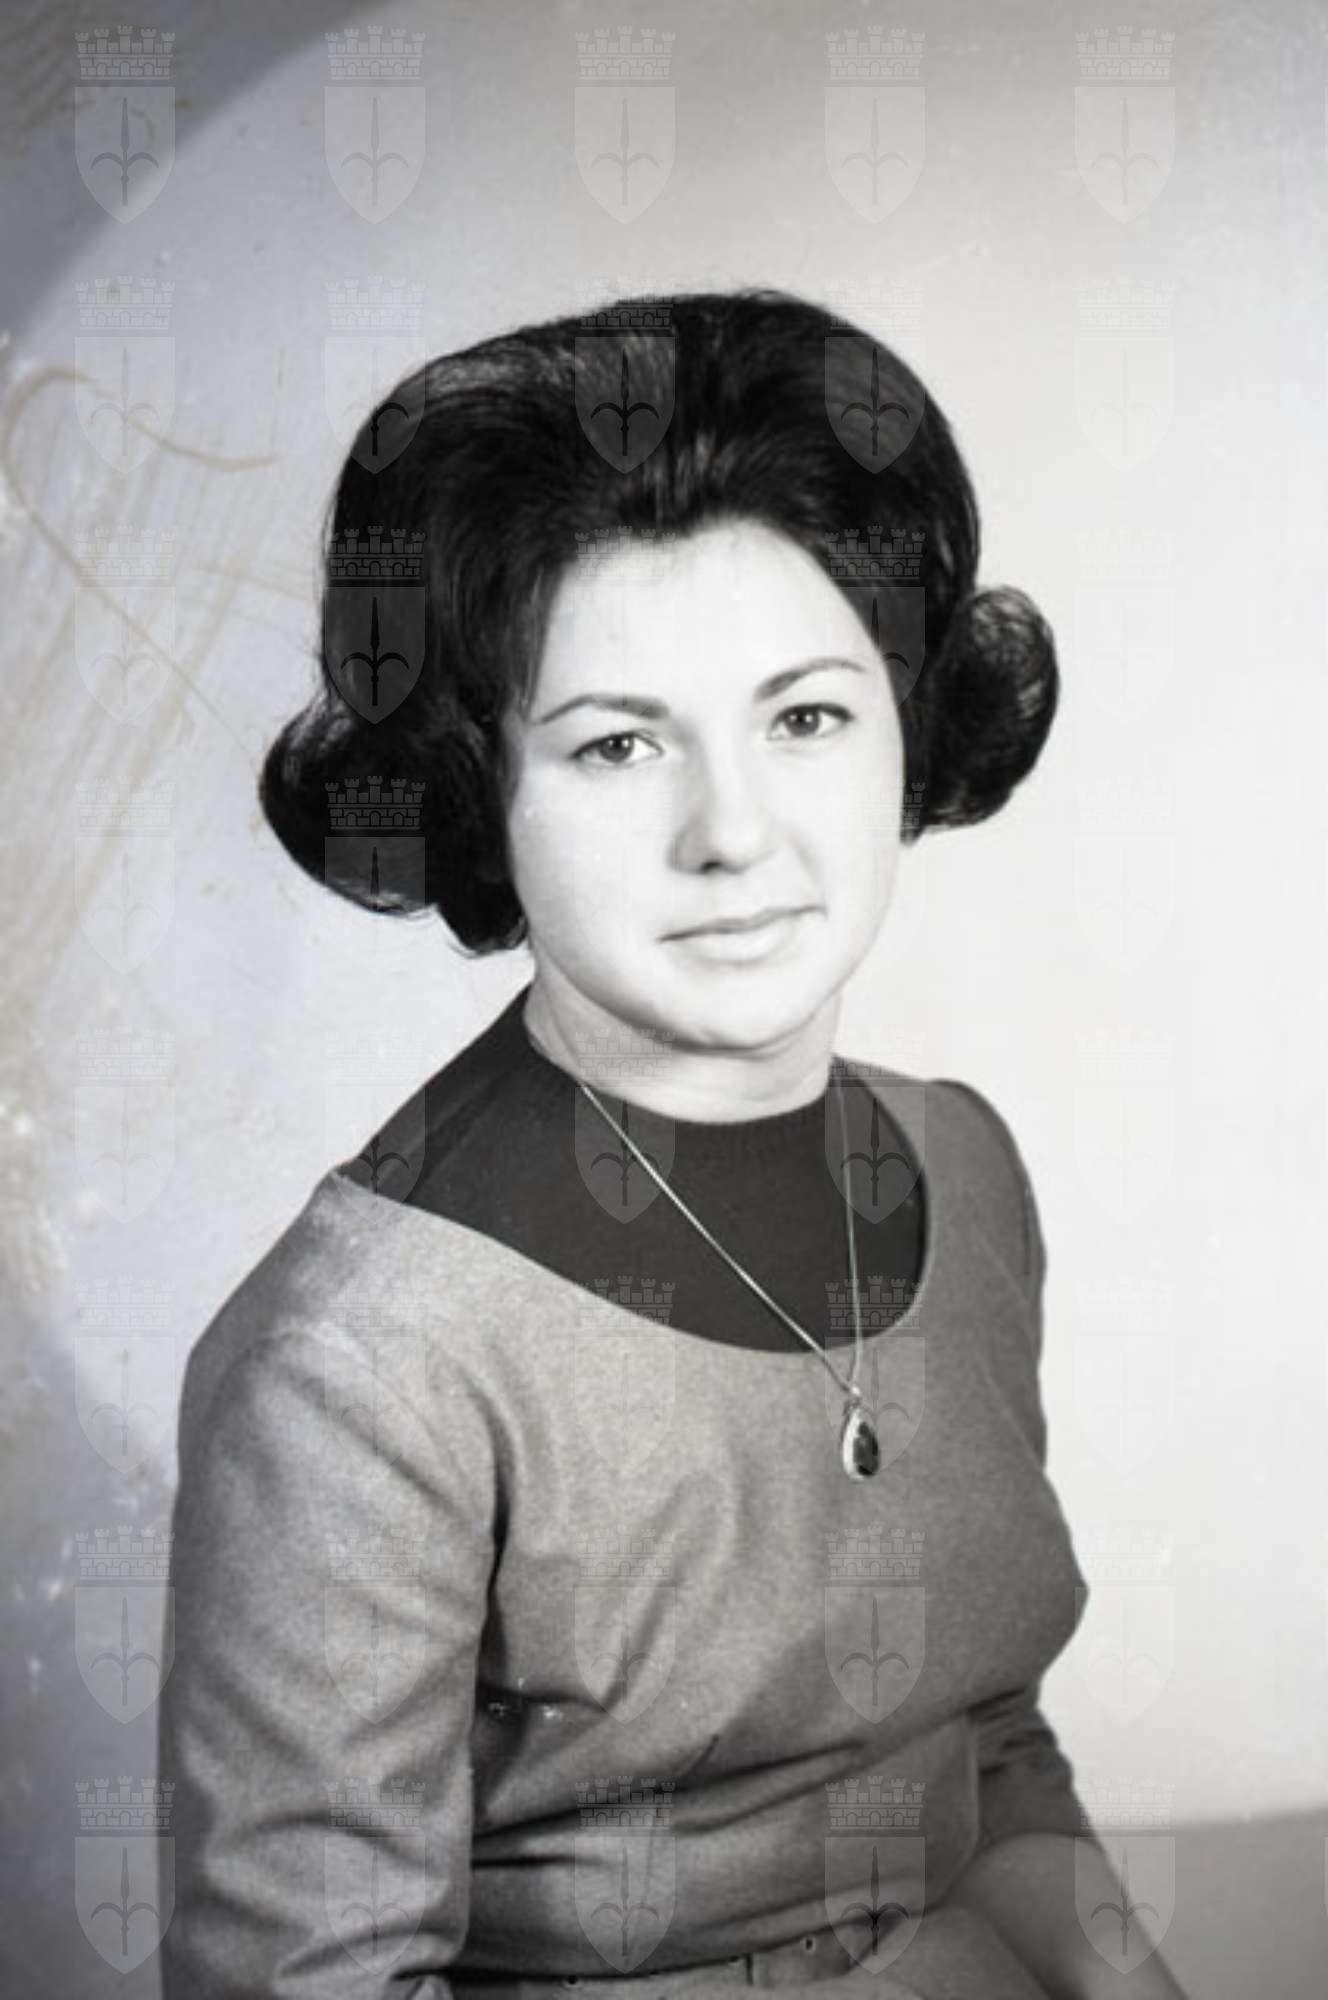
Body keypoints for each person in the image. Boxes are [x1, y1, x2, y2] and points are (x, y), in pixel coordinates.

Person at [159, 289, 1190, 2000]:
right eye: (620, 743)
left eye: (805, 718)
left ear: (910, 724)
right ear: (478, 789)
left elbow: (987, 1745)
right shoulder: (356, 1366)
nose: (733, 833)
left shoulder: (963, 1169)